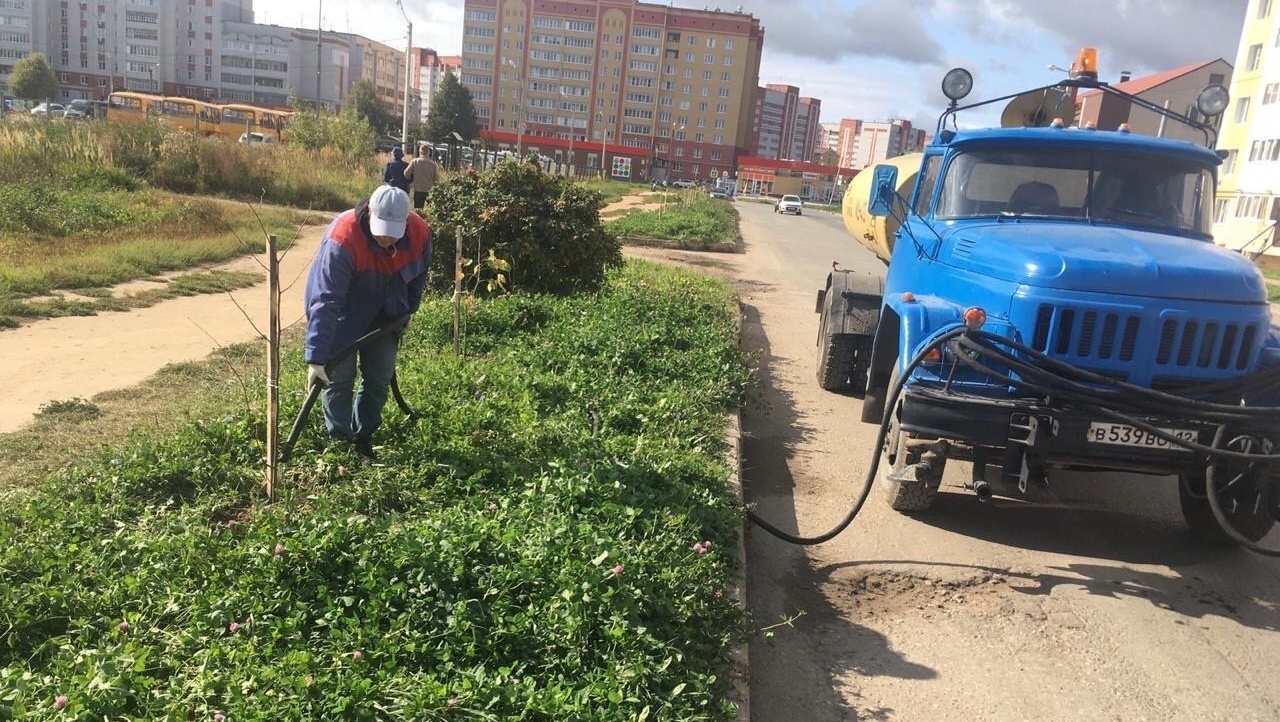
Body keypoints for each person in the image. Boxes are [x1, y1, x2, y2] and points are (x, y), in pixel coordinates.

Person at [304, 185, 431, 461]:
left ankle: (364, 436)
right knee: (340, 377)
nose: (386, 238)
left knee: (379, 375)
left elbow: (418, 276)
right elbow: (326, 301)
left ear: (407, 221)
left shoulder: (420, 232)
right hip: (342, 312)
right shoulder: (343, 237)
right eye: (381, 229)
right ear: (370, 212)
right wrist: (316, 357)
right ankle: (340, 442)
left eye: (392, 231)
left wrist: (408, 311)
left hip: (385, 312)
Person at [403, 143, 441, 209]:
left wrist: (411, 180)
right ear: (428, 152)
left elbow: (406, 174)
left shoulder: (414, 162)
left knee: (418, 210)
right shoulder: (433, 164)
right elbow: (436, 179)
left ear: (419, 151)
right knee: (429, 210)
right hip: (429, 190)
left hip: (418, 189)